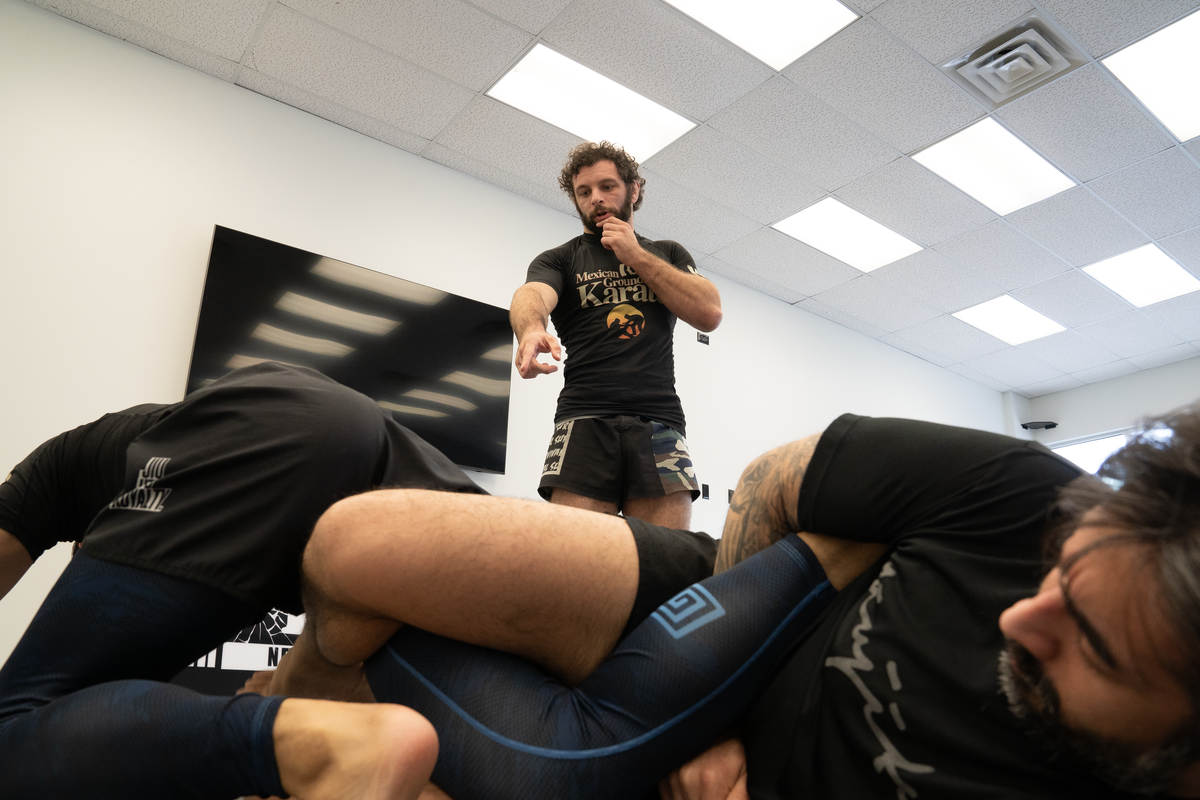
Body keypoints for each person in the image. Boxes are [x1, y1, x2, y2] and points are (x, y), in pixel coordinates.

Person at [268, 405, 1200, 799]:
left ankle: (312, 710)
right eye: (1055, 573)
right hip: (735, 608)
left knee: (525, 775)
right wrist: (711, 696)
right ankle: (287, 708)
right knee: (359, 544)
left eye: (1094, 645)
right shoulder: (1017, 493)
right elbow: (773, 480)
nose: (1018, 618)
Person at [0, 361, 492, 800]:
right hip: (444, 508)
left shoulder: (53, 474)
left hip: (272, 422)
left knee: (15, 731)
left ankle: (318, 748)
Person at [510, 140, 722, 529]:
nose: (597, 199)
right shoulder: (560, 259)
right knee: (577, 564)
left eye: (608, 186)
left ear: (634, 189)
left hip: (660, 421)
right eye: (584, 192)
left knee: (666, 561)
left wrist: (636, 255)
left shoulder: (668, 253)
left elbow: (709, 312)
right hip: (584, 418)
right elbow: (531, 295)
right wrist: (531, 330)